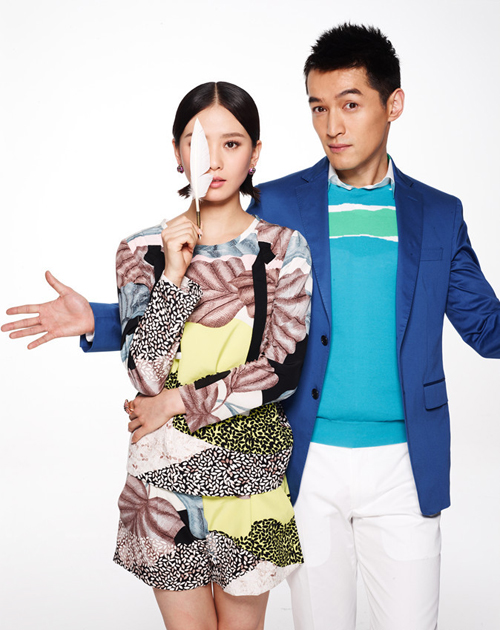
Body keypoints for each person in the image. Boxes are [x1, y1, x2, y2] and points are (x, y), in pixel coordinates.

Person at [3, 24, 500, 630]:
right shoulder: (280, 205)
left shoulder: (440, 213)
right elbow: (220, 281)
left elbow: (486, 327)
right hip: (305, 454)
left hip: (404, 462)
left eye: (349, 105)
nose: (333, 126)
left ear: (393, 104)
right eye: (318, 108)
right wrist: (104, 320)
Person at [6, 81, 313, 630]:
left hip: (250, 473)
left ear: (255, 154)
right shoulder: (140, 250)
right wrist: (173, 272)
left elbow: (280, 371)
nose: (213, 160)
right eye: (196, 142)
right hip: (165, 476)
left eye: (231, 143)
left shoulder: (282, 248)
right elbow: (144, 375)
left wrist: (175, 401)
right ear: (176, 152)